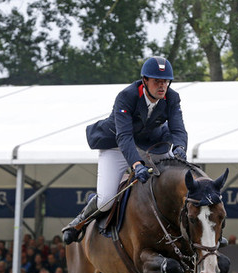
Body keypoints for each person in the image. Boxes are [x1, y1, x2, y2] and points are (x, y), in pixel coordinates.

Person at [63, 56, 187, 244]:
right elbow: (124, 137)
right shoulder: (127, 96)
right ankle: (79, 222)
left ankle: (199, 228)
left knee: (176, 177)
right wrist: (137, 165)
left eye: (165, 81)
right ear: (145, 80)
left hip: (150, 144)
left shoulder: (172, 97)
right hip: (117, 146)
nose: (162, 86)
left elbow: (178, 129)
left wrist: (179, 148)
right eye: (157, 81)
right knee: (106, 200)